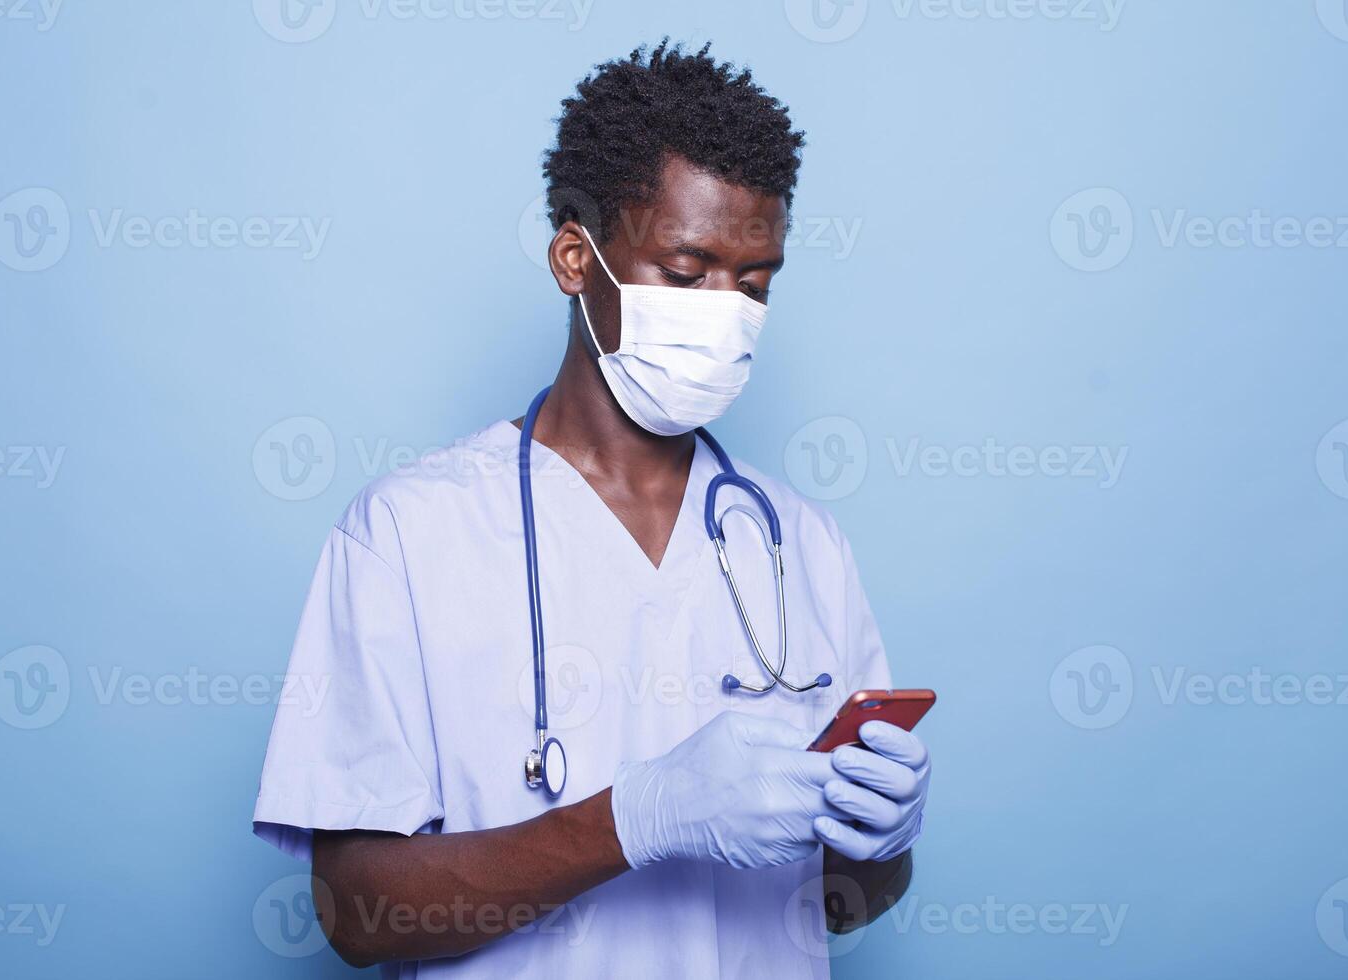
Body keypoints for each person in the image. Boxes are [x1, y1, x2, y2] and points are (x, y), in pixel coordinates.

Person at [253, 40, 931, 978]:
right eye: (687, 274)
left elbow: (847, 907)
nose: (726, 312)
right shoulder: (407, 536)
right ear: (576, 258)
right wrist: (638, 816)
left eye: (756, 284)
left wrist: (879, 842)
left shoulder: (800, 547)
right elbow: (355, 912)